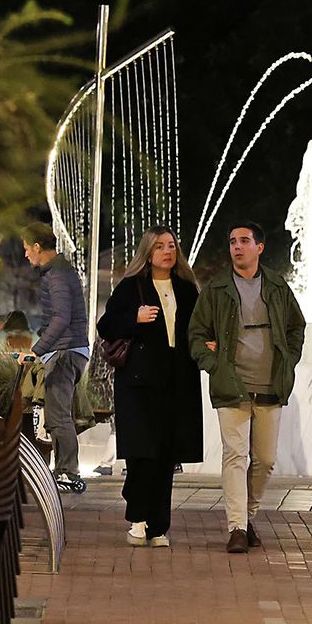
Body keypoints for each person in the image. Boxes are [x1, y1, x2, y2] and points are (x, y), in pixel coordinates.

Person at [190, 222, 307, 554]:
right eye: (232, 242)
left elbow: (297, 326)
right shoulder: (217, 289)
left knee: (266, 459)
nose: (237, 247)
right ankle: (237, 527)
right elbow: (196, 333)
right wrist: (212, 364)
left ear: (260, 247)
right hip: (232, 385)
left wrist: (289, 358)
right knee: (235, 456)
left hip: (271, 383)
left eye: (244, 241)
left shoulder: (277, 285)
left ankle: (247, 515)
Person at [96, 228, 203, 547]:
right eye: (160, 246)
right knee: (142, 454)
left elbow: (197, 326)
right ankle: (138, 519)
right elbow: (106, 326)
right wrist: (135, 318)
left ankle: (158, 527)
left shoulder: (186, 289)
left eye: (171, 246)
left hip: (177, 380)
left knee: (166, 455)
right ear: (148, 252)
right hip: (139, 383)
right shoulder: (132, 287)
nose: (167, 251)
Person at [24, 227, 91, 492]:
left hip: (66, 351)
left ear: (38, 247)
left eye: (27, 247)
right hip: (68, 349)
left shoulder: (58, 275)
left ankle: (68, 472)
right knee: (56, 415)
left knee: (59, 416)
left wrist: (37, 350)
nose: (25, 253)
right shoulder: (58, 272)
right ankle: (63, 471)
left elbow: (61, 318)